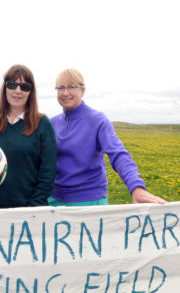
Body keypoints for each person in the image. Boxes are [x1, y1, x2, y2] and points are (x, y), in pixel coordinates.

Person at [49, 68, 166, 206]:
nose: (65, 92)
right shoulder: (52, 123)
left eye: (71, 87)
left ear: (83, 90)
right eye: (61, 88)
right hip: (54, 201)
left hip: (89, 201)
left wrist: (136, 188)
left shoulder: (97, 120)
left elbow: (118, 154)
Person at [0, 64, 57, 209]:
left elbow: (47, 172)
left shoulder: (42, 123)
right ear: (5, 87)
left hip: (28, 210)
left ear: (31, 92)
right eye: (12, 85)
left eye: (24, 86)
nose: (18, 91)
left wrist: (33, 206)